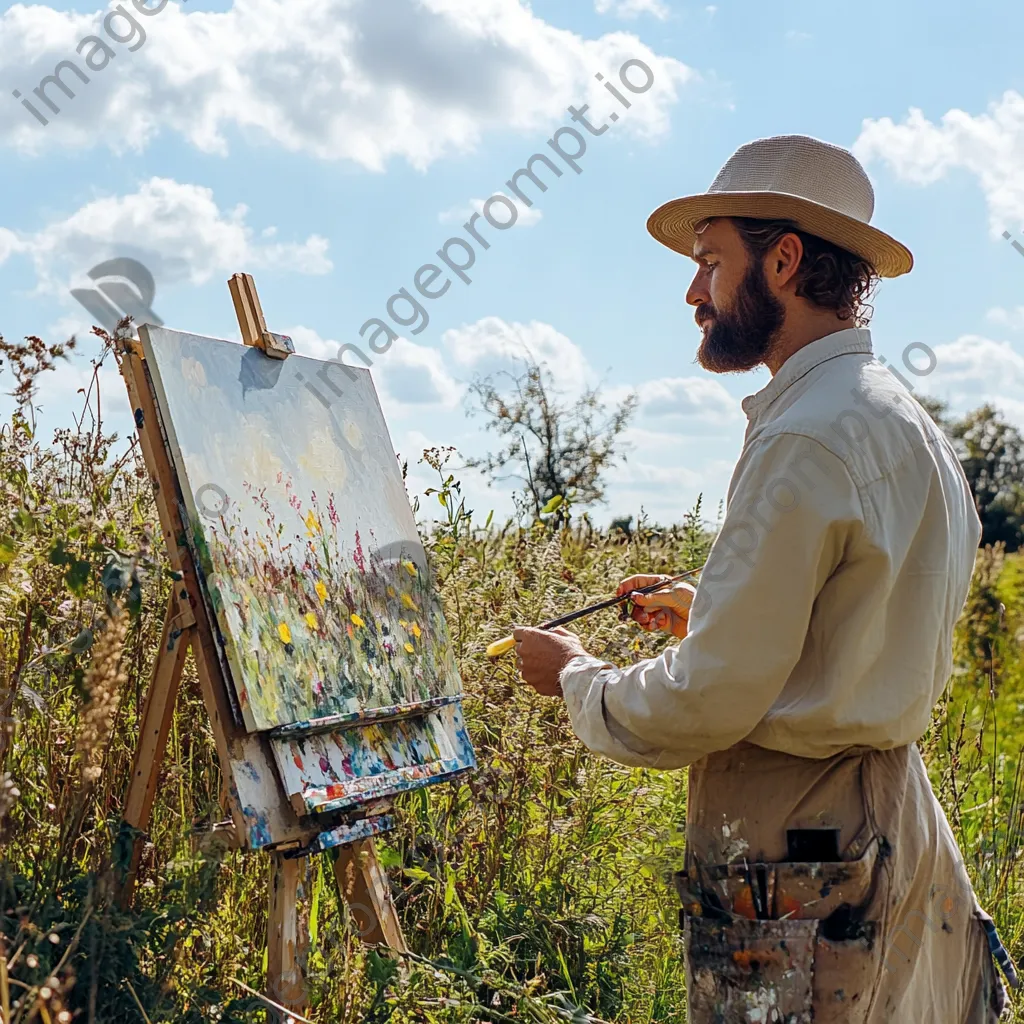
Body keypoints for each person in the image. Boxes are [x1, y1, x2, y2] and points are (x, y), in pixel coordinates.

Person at [512, 134, 1016, 1022]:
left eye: (712, 261)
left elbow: (709, 701)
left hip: (798, 848)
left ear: (783, 261)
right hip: (890, 822)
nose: (693, 291)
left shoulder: (804, 435)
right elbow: (857, 632)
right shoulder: (908, 425)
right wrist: (711, 611)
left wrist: (579, 678)